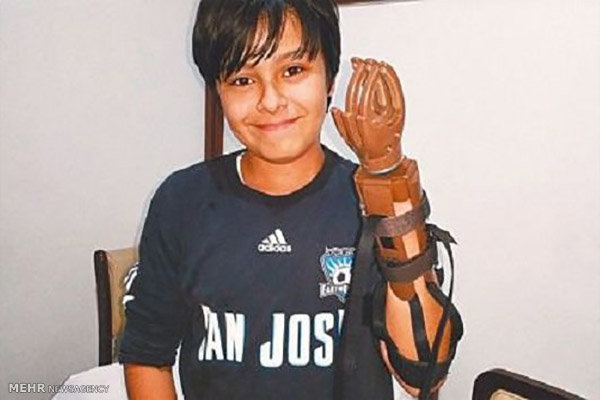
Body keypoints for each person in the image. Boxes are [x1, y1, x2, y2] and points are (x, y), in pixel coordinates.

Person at [118, 1, 461, 399]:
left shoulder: (374, 202)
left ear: (330, 79)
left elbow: (423, 373)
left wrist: (389, 184)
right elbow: (147, 355)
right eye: (242, 80)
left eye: (293, 70)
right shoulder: (181, 201)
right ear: (217, 89)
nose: (270, 100)